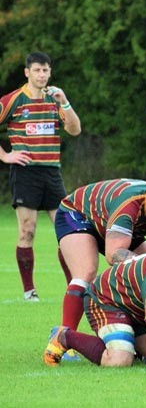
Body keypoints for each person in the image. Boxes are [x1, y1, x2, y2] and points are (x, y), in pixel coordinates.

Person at [43, 224, 146, 369]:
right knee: (121, 360)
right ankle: (65, 336)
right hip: (106, 300)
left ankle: (127, 341)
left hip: (136, 308)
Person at [55, 173, 146, 331]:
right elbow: (113, 254)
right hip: (79, 213)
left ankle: (144, 334)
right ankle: (64, 338)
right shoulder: (129, 204)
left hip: (123, 226)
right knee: (87, 271)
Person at [0, 52, 81, 301]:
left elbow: (75, 130)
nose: (42, 75)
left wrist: (65, 102)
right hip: (25, 172)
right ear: (27, 72)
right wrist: (5, 156)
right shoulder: (13, 100)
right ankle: (29, 292)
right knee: (28, 229)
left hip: (52, 172)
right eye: (37, 70)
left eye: (45, 70)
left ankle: (73, 288)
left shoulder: (54, 99)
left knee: (67, 230)